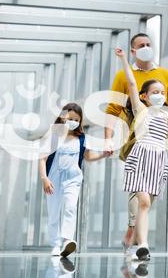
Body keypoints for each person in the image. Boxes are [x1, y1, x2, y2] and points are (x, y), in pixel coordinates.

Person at [103, 33, 168, 252]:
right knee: (142, 201)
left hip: (158, 159)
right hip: (137, 148)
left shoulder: (167, 111)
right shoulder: (139, 104)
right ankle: (141, 243)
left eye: (149, 44)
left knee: (148, 203)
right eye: (141, 45)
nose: (146, 47)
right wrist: (108, 139)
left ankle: (135, 235)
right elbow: (118, 101)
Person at [39, 103, 109, 258]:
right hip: (53, 179)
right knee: (54, 212)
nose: (74, 121)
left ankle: (67, 241)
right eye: (71, 118)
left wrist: (103, 155)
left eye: (77, 119)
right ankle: (55, 245)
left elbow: (88, 157)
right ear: (64, 116)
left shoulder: (82, 138)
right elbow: (42, 159)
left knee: (70, 207)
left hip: (73, 178)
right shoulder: (54, 135)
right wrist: (44, 178)